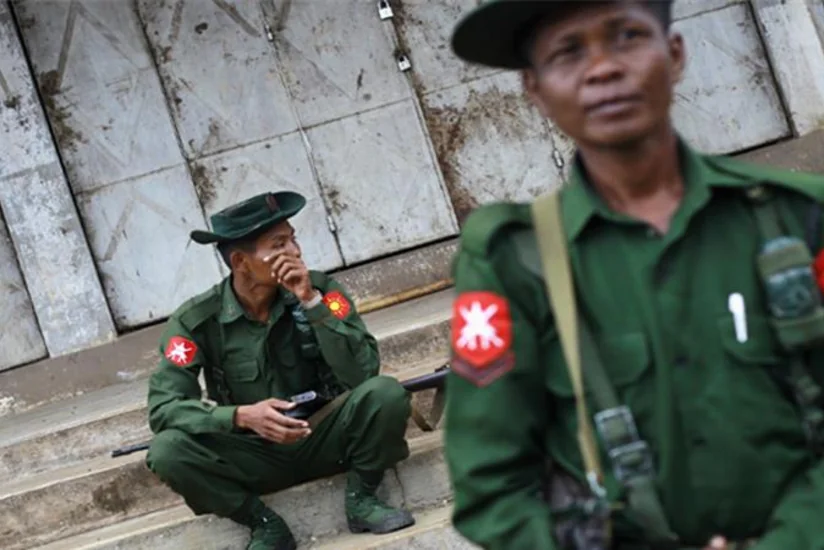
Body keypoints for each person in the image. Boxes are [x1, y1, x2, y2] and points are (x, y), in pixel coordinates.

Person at [443, 1, 824, 549]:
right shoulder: (512, 261)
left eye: (626, 37)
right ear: (534, 88)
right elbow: (491, 488)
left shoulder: (798, 219)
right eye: (568, 51)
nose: (603, 68)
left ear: (673, 55)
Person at [145, 191, 415, 550]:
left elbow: (364, 375)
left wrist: (312, 303)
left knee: (386, 393)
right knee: (167, 451)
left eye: (293, 239)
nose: (296, 252)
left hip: (325, 437)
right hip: (256, 454)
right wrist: (240, 416)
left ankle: (363, 498)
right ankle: (265, 524)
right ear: (241, 261)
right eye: (280, 244)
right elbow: (165, 409)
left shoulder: (321, 291)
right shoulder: (196, 321)